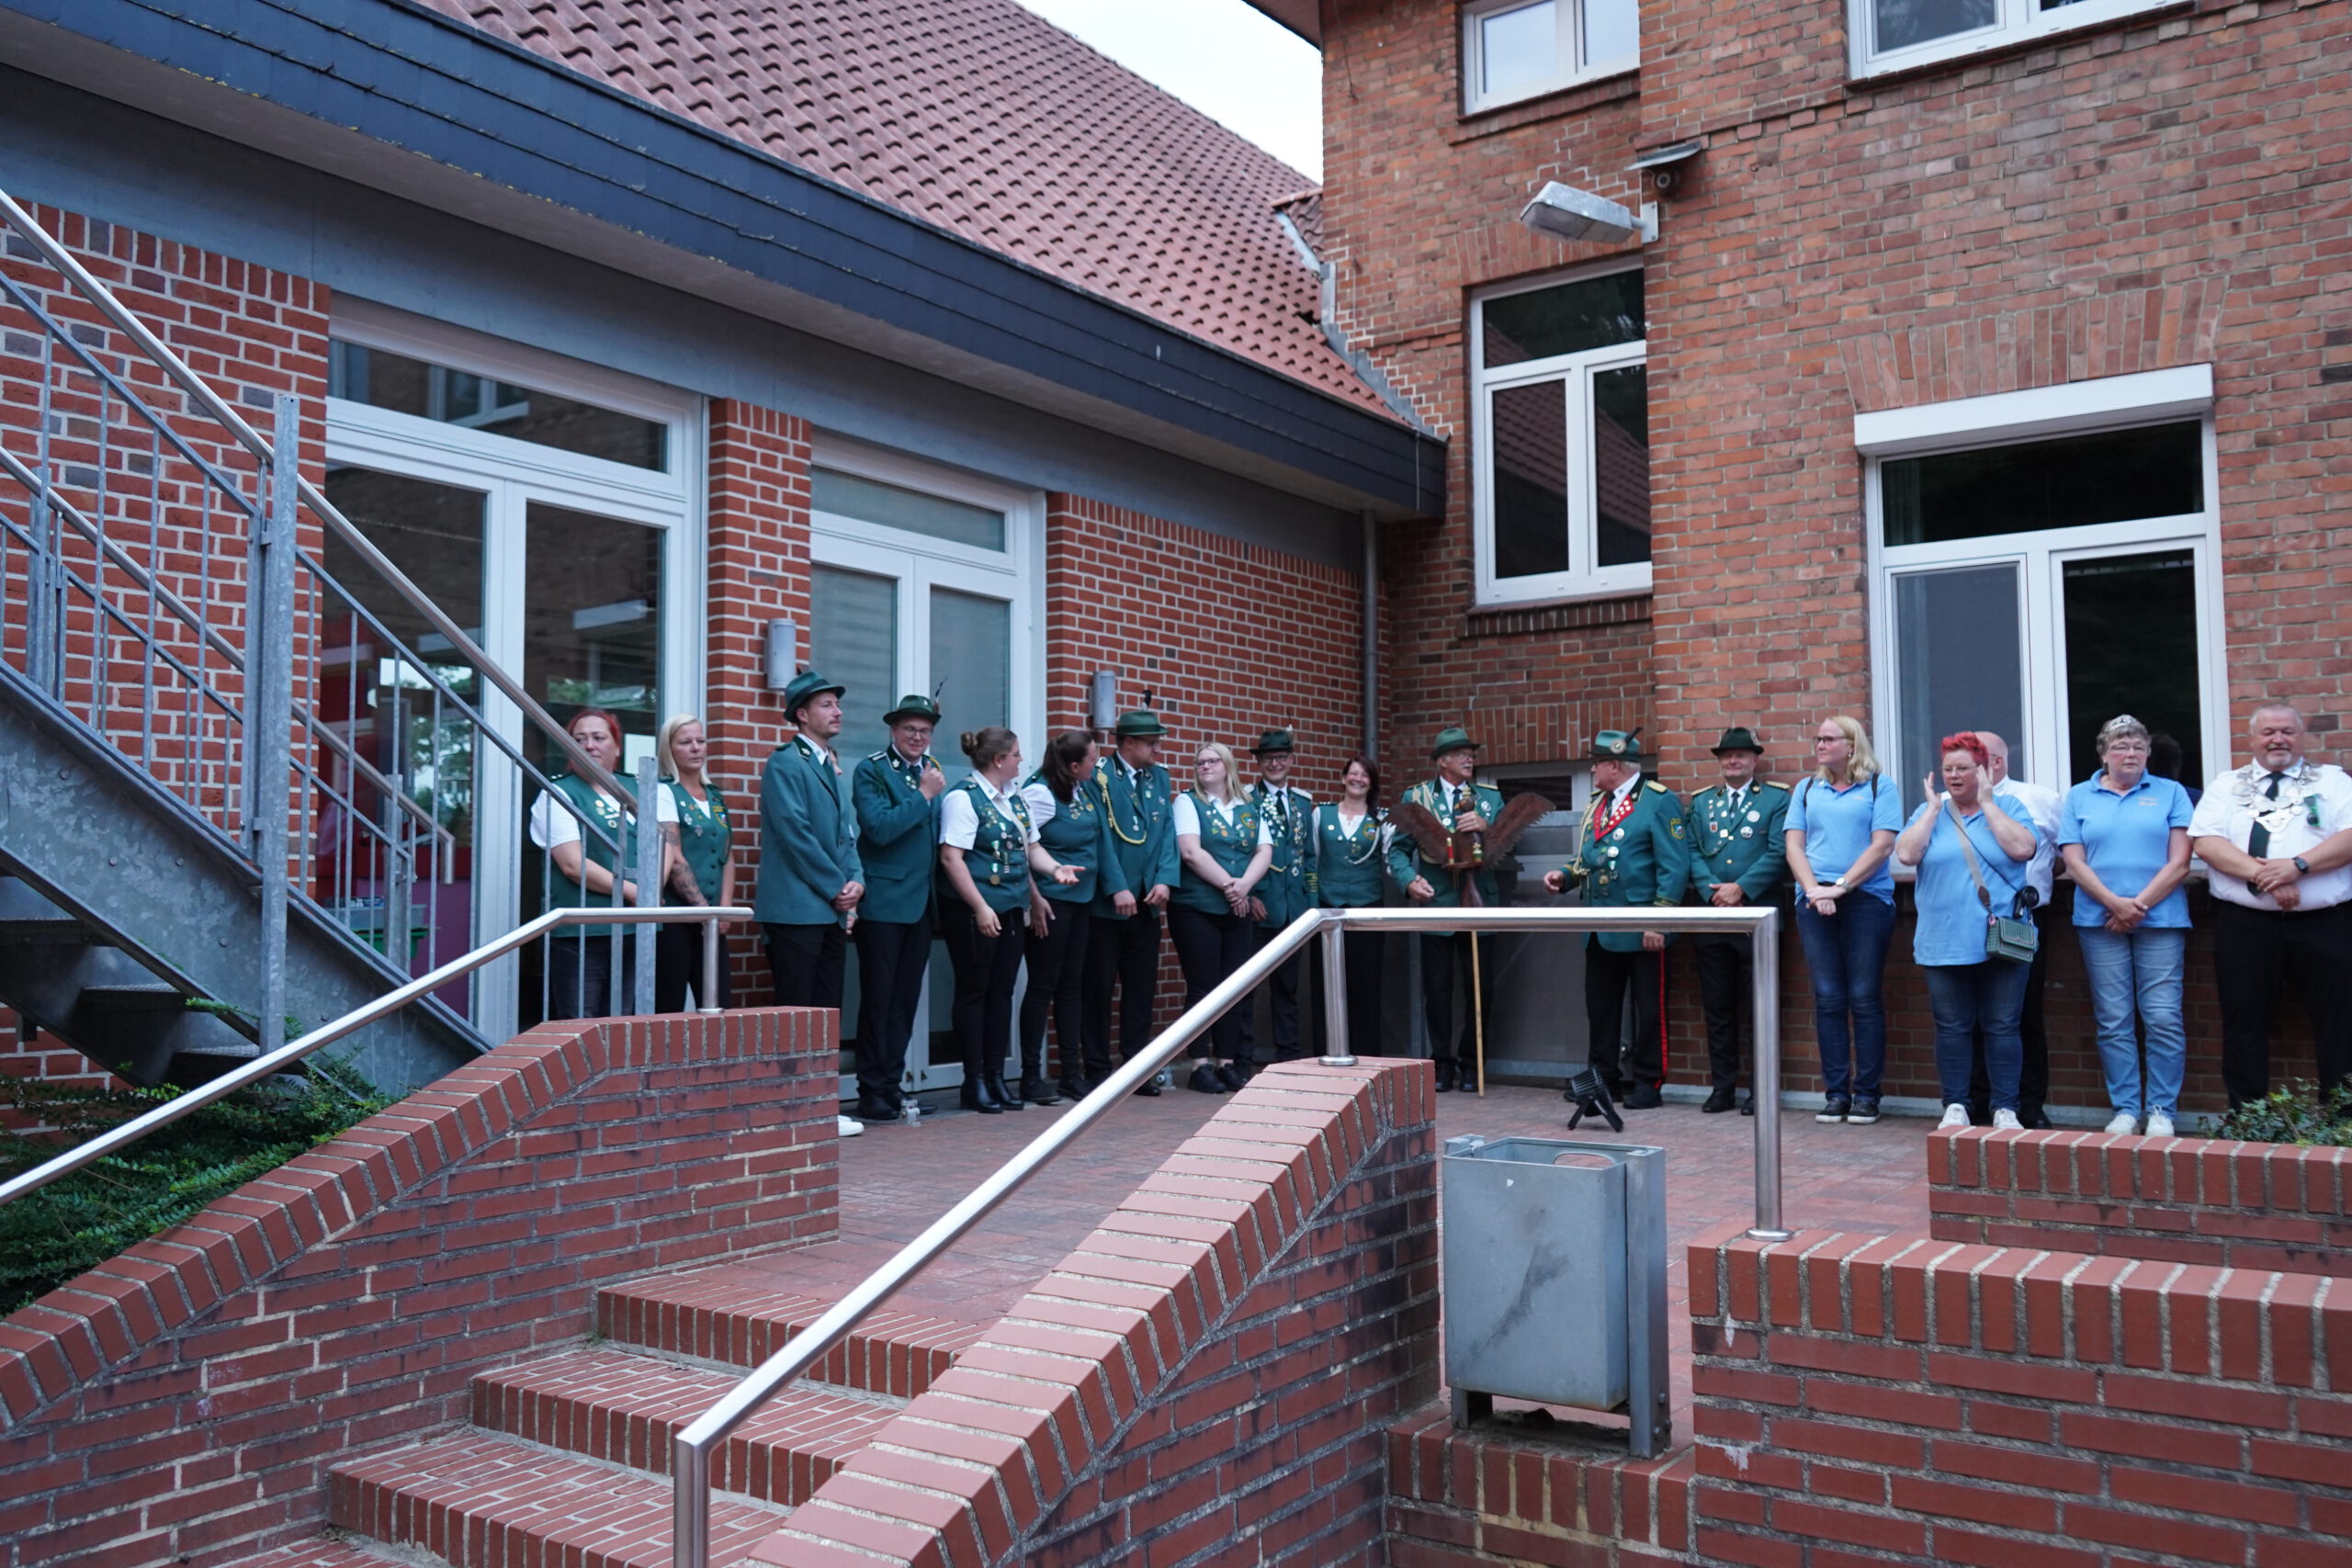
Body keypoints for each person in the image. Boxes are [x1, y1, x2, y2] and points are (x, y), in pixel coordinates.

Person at [2188, 703, 2352, 1108]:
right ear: (2252, 738)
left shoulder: (2333, 782)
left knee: (2341, 1021)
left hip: (2325, 924)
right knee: (2243, 1019)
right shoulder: (2226, 786)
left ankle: (2343, 1121)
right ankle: (2248, 1119)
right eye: (2268, 732)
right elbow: (2206, 843)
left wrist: (2298, 866)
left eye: (2287, 732)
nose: (2278, 739)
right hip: (2246, 926)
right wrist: (2268, 877)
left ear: (2301, 737)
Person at [1894, 732, 2039, 1132]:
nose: (1954, 776)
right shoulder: (1930, 812)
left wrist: (1988, 804)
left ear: (1984, 769)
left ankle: (2005, 1107)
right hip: (1942, 940)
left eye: (1963, 768)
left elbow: (2023, 849)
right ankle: (1956, 1104)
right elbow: (1906, 854)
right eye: (1948, 769)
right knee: (1952, 1028)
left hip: (2001, 940)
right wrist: (1930, 810)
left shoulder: (2009, 807)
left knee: (2003, 1026)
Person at [2059, 715, 2194, 1137]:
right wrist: (2114, 904)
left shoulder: (2171, 793)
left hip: (2161, 920)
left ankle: (2162, 1110)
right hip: (2099, 921)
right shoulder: (2079, 796)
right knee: (2113, 1019)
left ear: (2149, 753)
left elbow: (2180, 862)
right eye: (2120, 746)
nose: (2130, 753)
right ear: (2103, 754)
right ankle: (2126, 1109)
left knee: (2163, 1017)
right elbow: (2073, 861)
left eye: (2138, 746)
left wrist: (2137, 906)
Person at [1544, 729, 1690, 1111]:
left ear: (1614, 765)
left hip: (1642, 927)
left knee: (1649, 1010)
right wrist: (1565, 875)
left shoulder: (1658, 801)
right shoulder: (1598, 804)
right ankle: (1602, 1080)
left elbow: (1674, 865)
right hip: (1599, 926)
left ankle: (1648, 1082)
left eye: (1597, 763)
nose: (1592, 769)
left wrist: (1659, 921)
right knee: (1601, 1009)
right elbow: (1589, 858)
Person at [938, 727, 1079, 1114]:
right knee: (974, 991)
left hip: (1012, 908)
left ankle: (996, 1075)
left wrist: (1056, 870)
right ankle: (974, 1080)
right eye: (1016, 754)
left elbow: (1032, 847)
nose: (1021, 760)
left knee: (1002, 992)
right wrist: (980, 907)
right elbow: (951, 858)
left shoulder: (1015, 797)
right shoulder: (964, 798)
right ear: (999, 760)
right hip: (974, 909)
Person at [756, 671, 866, 1138]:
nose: (837, 711)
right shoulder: (785, 764)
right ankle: (792, 1112)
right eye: (826, 705)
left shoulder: (827, 764)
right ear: (802, 715)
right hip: (797, 910)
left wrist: (856, 882)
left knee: (825, 1013)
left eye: (836, 704)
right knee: (797, 1014)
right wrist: (836, 886)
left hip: (828, 910)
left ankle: (819, 1108)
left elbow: (846, 835)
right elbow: (795, 834)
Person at [1781, 715, 1903, 1125]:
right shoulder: (1806, 789)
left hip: (1865, 900)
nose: (1820, 745)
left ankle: (1867, 1095)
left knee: (1864, 997)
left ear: (1852, 745)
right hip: (1814, 901)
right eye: (1818, 738)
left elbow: (1882, 845)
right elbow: (1794, 847)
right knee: (1828, 998)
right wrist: (1814, 890)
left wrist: (1841, 887)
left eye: (1829, 739)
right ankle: (1836, 1095)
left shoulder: (1879, 786)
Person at [530, 706, 682, 1020]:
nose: (589, 745)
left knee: (625, 1026)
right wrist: (637, 893)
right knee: (581, 1027)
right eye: (579, 739)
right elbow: (572, 865)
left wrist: (653, 887)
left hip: (637, 932)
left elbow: (665, 843)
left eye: (599, 737)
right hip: (582, 935)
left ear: (617, 746)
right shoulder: (558, 793)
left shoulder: (644, 788)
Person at [848, 694, 948, 1124]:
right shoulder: (872, 769)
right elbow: (879, 829)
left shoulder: (932, 770)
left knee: (905, 1000)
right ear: (893, 730)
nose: (917, 737)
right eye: (910, 729)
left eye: (925, 731)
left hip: (921, 903)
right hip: (884, 903)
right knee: (879, 999)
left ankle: (892, 1084)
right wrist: (923, 795)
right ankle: (870, 1089)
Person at [1683, 728, 1791, 1114]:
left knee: (1761, 1009)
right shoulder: (1702, 803)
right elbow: (1691, 850)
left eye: (1741, 754)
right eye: (1727, 755)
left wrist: (1741, 889)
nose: (1733, 760)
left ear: (1755, 759)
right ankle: (1722, 1088)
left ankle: (1760, 1090)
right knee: (1718, 1009)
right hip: (1713, 918)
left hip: (1758, 919)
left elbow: (1779, 852)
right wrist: (1712, 890)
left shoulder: (1777, 799)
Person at [1389, 728, 1503, 1092]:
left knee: (1479, 990)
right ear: (1442, 761)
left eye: (1471, 753)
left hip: (1479, 904)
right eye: (1460, 754)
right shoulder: (1418, 798)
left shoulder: (1489, 798)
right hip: (1437, 904)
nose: (1470, 758)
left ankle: (1473, 1064)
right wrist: (1409, 881)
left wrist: (1486, 828)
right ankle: (1442, 1064)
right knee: (1437, 991)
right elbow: (1397, 851)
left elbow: (1508, 849)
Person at [1021, 729, 1125, 1103]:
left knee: (1071, 987)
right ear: (1073, 765)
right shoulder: (1039, 794)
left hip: (1081, 901)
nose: (1097, 765)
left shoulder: (1082, 789)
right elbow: (1022, 847)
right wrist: (1034, 899)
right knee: (1042, 986)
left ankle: (1070, 1073)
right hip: (1052, 903)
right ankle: (1030, 1076)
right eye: (1092, 760)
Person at [1084, 708, 1181, 1096]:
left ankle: (1136, 1068)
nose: (1157, 749)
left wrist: (1165, 880)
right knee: (1099, 987)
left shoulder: (1159, 777)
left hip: (1146, 899)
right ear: (1127, 743)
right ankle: (1096, 1068)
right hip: (1110, 903)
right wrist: (1116, 886)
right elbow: (1100, 836)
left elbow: (1167, 832)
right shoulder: (1100, 776)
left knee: (1142, 989)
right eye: (1151, 742)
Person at [1170, 741, 1274, 1094]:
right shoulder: (1188, 802)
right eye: (1200, 763)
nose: (1205, 767)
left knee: (1233, 987)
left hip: (1236, 908)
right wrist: (1232, 887)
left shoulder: (1249, 806)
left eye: (1212, 761)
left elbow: (1264, 851)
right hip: (1196, 907)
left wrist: (1244, 886)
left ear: (1227, 765)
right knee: (1203, 986)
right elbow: (1190, 852)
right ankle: (1199, 1064)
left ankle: (1226, 1062)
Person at [1971, 732, 2062, 1128]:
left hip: (2022, 920)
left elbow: (2062, 857)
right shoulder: (1945, 803)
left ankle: (2028, 1104)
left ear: (1996, 761)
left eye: (1973, 757)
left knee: (2024, 1014)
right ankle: (1976, 1102)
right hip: (1965, 920)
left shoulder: (2039, 799)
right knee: (1970, 1015)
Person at [1311, 755, 1390, 1059]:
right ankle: (1326, 1054)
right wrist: (1314, 905)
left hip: (1367, 911)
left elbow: (1391, 862)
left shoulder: (1382, 820)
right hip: (1327, 911)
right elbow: (1313, 861)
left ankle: (1367, 1056)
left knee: (1366, 986)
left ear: (1372, 783)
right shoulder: (1322, 814)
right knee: (1325, 986)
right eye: (1353, 774)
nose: (1358, 779)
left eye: (1364, 775)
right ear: (1343, 778)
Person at [653, 715, 731, 1014]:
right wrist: (705, 912)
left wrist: (724, 910)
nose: (696, 748)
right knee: (668, 1006)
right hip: (676, 919)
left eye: (701, 741)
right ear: (669, 749)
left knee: (719, 1005)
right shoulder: (664, 792)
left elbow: (728, 855)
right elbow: (674, 857)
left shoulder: (715, 796)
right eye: (686, 742)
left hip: (712, 920)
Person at [1248, 729, 1316, 1062]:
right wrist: (1250, 894)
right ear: (1259, 762)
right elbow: (1244, 852)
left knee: (1288, 987)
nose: (1274, 763)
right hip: (1260, 906)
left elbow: (1309, 856)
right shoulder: (1248, 799)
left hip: (1294, 909)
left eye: (1281, 757)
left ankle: (1288, 1055)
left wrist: (1311, 905)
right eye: (1268, 758)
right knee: (1247, 986)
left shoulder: (1302, 802)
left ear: (1291, 760)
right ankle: (1242, 1056)